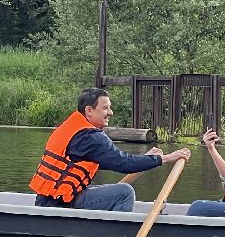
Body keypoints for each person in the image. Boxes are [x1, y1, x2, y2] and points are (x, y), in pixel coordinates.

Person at [30, 88, 191, 212]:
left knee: (104, 189)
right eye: (105, 108)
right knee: (124, 192)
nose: (110, 113)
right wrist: (167, 158)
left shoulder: (71, 129)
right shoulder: (91, 137)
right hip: (61, 205)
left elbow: (111, 160)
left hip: (47, 201)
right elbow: (123, 163)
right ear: (89, 110)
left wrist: (146, 158)